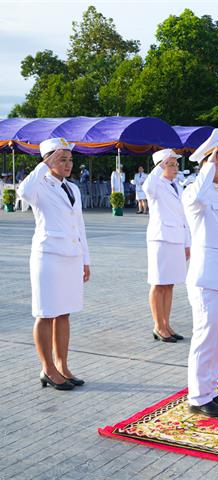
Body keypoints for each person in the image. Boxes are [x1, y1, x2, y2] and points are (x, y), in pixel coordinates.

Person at [17, 138, 90, 390]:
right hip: (48, 257)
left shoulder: (73, 189)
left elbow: (79, 226)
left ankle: (63, 365)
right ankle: (47, 369)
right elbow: (23, 193)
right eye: (62, 159)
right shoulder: (39, 186)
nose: (68, 164)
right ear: (48, 160)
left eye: (70, 159)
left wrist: (85, 259)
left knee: (64, 312)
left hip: (70, 256)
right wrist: (43, 165)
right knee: (46, 313)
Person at [182, 128, 218, 418]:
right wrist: (209, 162)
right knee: (204, 338)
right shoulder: (195, 192)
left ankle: (211, 391)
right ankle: (198, 396)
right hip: (206, 279)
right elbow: (196, 196)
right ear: (207, 164)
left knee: (216, 339)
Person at [143, 149, 191, 343]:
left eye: (176, 164)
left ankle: (166, 323)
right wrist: (161, 165)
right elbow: (147, 186)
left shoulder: (177, 186)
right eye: (170, 164)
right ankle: (158, 325)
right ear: (160, 166)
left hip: (176, 239)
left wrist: (187, 243)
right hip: (161, 239)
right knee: (158, 283)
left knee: (169, 284)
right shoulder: (155, 185)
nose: (175, 168)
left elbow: (184, 217)